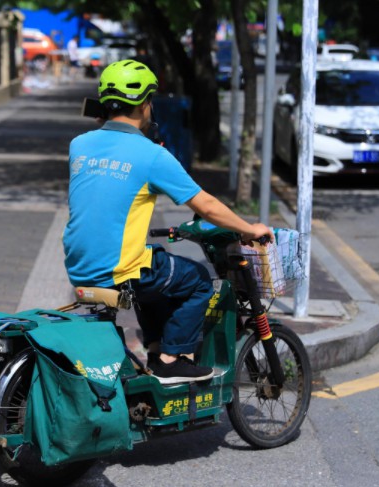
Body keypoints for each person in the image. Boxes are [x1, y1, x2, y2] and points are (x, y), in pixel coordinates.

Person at [63, 60, 273, 385]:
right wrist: (249, 228)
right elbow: (206, 205)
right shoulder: (152, 155)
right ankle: (171, 358)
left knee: (158, 264)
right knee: (198, 280)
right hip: (119, 270)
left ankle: (155, 347)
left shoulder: (79, 145)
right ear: (147, 104)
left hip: (79, 266)